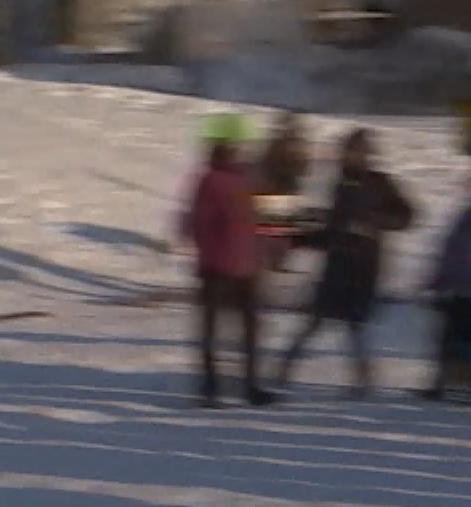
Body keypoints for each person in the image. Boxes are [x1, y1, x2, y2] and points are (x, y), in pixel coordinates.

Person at [275, 128, 416, 397]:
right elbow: (334, 230)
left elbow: (407, 216)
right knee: (314, 322)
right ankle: (282, 373)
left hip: (363, 268)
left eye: (353, 151)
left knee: (355, 328)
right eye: (346, 151)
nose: (347, 156)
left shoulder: (380, 182)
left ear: (365, 153)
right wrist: (300, 240)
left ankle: (363, 383)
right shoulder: (341, 185)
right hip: (337, 266)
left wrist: (373, 222)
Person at [180, 118, 275, 408]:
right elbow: (197, 223)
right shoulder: (212, 180)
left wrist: (269, 248)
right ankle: (219, 388)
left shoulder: (247, 179)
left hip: (242, 267)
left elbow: (267, 219)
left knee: (241, 330)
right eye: (232, 147)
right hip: (221, 267)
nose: (237, 150)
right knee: (221, 330)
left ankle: (242, 387)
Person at [420, 198, 471, 400]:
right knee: (451, 339)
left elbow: (453, 253)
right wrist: (438, 280)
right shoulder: (464, 218)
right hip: (459, 290)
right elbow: (451, 253)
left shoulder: (465, 220)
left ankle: (444, 383)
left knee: (456, 339)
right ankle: (441, 382)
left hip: (462, 290)